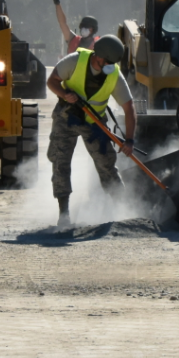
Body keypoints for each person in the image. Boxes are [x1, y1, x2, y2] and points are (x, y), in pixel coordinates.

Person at [46, 35, 136, 227]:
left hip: (94, 124)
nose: (109, 66)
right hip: (66, 119)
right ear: (98, 56)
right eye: (107, 62)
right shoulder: (74, 61)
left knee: (107, 165)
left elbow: (129, 108)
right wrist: (64, 94)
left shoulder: (114, 75)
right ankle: (64, 214)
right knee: (60, 162)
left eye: (113, 63)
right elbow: (52, 81)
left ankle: (121, 211)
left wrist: (129, 140)